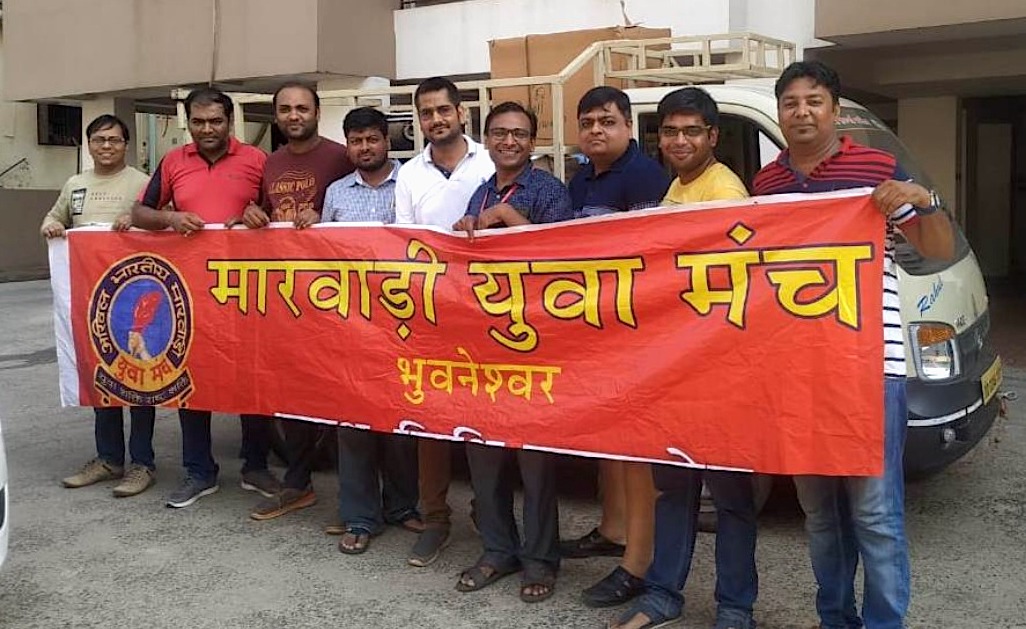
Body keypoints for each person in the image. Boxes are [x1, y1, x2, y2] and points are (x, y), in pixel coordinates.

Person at [752, 60, 954, 629]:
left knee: (875, 513)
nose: (802, 112)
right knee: (819, 515)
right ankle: (834, 619)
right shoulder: (765, 185)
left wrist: (924, 200)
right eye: (791, 102)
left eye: (814, 101)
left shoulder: (877, 170)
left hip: (871, 367)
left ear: (834, 111)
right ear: (780, 113)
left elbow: (936, 248)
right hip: (797, 369)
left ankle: (884, 622)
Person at [609, 88, 756, 629]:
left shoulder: (724, 191)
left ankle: (735, 608)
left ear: (712, 136)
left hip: (719, 366)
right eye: (670, 132)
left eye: (692, 131)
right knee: (674, 488)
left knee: (731, 496)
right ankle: (663, 595)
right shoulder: (677, 188)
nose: (679, 141)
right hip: (675, 365)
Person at [131, 87, 280, 509]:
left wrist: (258, 216)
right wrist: (170, 217)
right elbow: (140, 212)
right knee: (191, 380)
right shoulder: (172, 161)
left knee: (252, 378)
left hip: (245, 291)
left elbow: (276, 213)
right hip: (190, 293)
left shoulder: (257, 160)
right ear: (188, 123)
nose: (207, 129)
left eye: (215, 121)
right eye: (198, 122)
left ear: (230, 122)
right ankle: (199, 471)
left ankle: (256, 466)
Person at [451, 102, 573, 603]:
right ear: (486, 138)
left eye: (519, 134)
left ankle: (540, 559)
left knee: (535, 463)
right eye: (499, 132)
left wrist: (507, 218)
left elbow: (561, 259)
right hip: (485, 345)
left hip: (535, 345)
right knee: (483, 455)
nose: (509, 141)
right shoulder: (480, 191)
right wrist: (464, 229)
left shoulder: (550, 190)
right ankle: (498, 550)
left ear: (533, 142)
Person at [560, 86, 670, 609]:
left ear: (628, 125)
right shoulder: (581, 177)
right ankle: (612, 528)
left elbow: (650, 255)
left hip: (637, 330)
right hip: (594, 327)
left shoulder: (645, 176)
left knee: (637, 449)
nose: (596, 130)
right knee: (607, 437)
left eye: (607, 121)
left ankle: (640, 563)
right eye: (588, 123)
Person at [238, 82, 354, 521]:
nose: (294, 115)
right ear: (276, 116)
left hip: (335, 294)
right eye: (285, 109)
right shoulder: (270, 162)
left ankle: (362, 497)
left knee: (346, 392)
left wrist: (325, 218)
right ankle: (298, 482)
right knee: (293, 391)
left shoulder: (341, 156)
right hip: (287, 298)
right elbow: (262, 211)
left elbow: (357, 202)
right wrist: (249, 215)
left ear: (317, 112)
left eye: (302, 108)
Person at [394, 76, 494, 567]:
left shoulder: (491, 161)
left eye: (443, 110)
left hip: (486, 311)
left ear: (461, 113)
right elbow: (402, 242)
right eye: (426, 113)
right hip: (430, 311)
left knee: (486, 414)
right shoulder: (409, 174)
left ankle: (489, 514)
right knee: (429, 416)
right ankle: (434, 517)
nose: (436, 119)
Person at [319, 106, 424, 554]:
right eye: (356, 141)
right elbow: (320, 257)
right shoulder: (336, 193)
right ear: (348, 146)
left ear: (386, 141)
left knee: (401, 420)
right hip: (351, 325)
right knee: (353, 422)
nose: (365, 147)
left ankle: (402, 506)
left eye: (372, 139)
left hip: (404, 323)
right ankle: (360, 516)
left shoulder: (412, 183)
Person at [46, 114, 156, 499]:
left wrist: (136, 218)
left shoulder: (142, 183)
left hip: (133, 298)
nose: (106, 146)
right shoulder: (75, 184)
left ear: (126, 144)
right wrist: (51, 226)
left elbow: (160, 221)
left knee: (140, 381)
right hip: (92, 303)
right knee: (103, 379)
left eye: (114, 140)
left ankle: (142, 464)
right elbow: (55, 217)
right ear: (89, 144)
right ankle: (109, 459)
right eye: (99, 140)